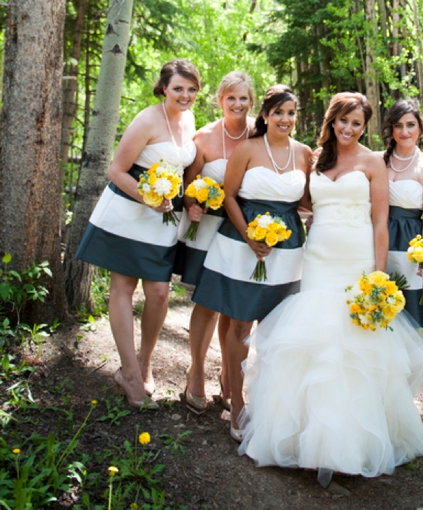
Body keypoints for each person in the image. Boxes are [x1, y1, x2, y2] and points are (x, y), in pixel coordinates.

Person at [240, 92, 423, 481]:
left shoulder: (373, 162)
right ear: (331, 121)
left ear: (364, 127)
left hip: (357, 261)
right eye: (342, 121)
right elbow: (302, 204)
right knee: (314, 340)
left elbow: (381, 222)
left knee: (353, 345)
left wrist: (378, 276)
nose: (348, 129)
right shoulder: (315, 158)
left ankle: (348, 443)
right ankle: (302, 439)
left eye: (356, 123)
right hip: (318, 260)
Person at [75, 59, 200, 408]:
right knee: (123, 288)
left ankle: (144, 362)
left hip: (162, 218)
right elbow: (116, 170)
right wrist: (148, 197)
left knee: (160, 292)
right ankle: (129, 372)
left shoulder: (188, 120)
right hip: (130, 212)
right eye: (178, 88)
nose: (185, 95)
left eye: (191, 89)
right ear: (164, 88)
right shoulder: (146, 119)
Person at [193, 84, 312, 441]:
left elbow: (307, 201)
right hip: (241, 242)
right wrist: (249, 235)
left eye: (291, 113)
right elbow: (228, 195)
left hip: (288, 249)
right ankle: (238, 403)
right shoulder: (247, 149)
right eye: (278, 112)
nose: (285, 119)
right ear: (265, 115)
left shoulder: (305, 154)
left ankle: (270, 402)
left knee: (277, 327)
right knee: (241, 325)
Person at [176, 71, 256, 414]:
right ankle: (195, 374)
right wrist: (193, 205)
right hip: (208, 230)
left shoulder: (260, 133)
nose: (237, 104)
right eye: (231, 98)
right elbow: (188, 184)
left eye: (243, 98)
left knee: (235, 308)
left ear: (251, 101)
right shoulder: (205, 137)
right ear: (220, 100)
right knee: (207, 304)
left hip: (244, 233)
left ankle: (229, 378)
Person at [382, 99, 423, 327]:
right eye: (398, 125)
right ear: (391, 129)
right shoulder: (378, 161)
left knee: (407, 318)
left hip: (408, 245)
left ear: (421, 128)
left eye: (410, 125)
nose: (404, 131)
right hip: (377, 240)